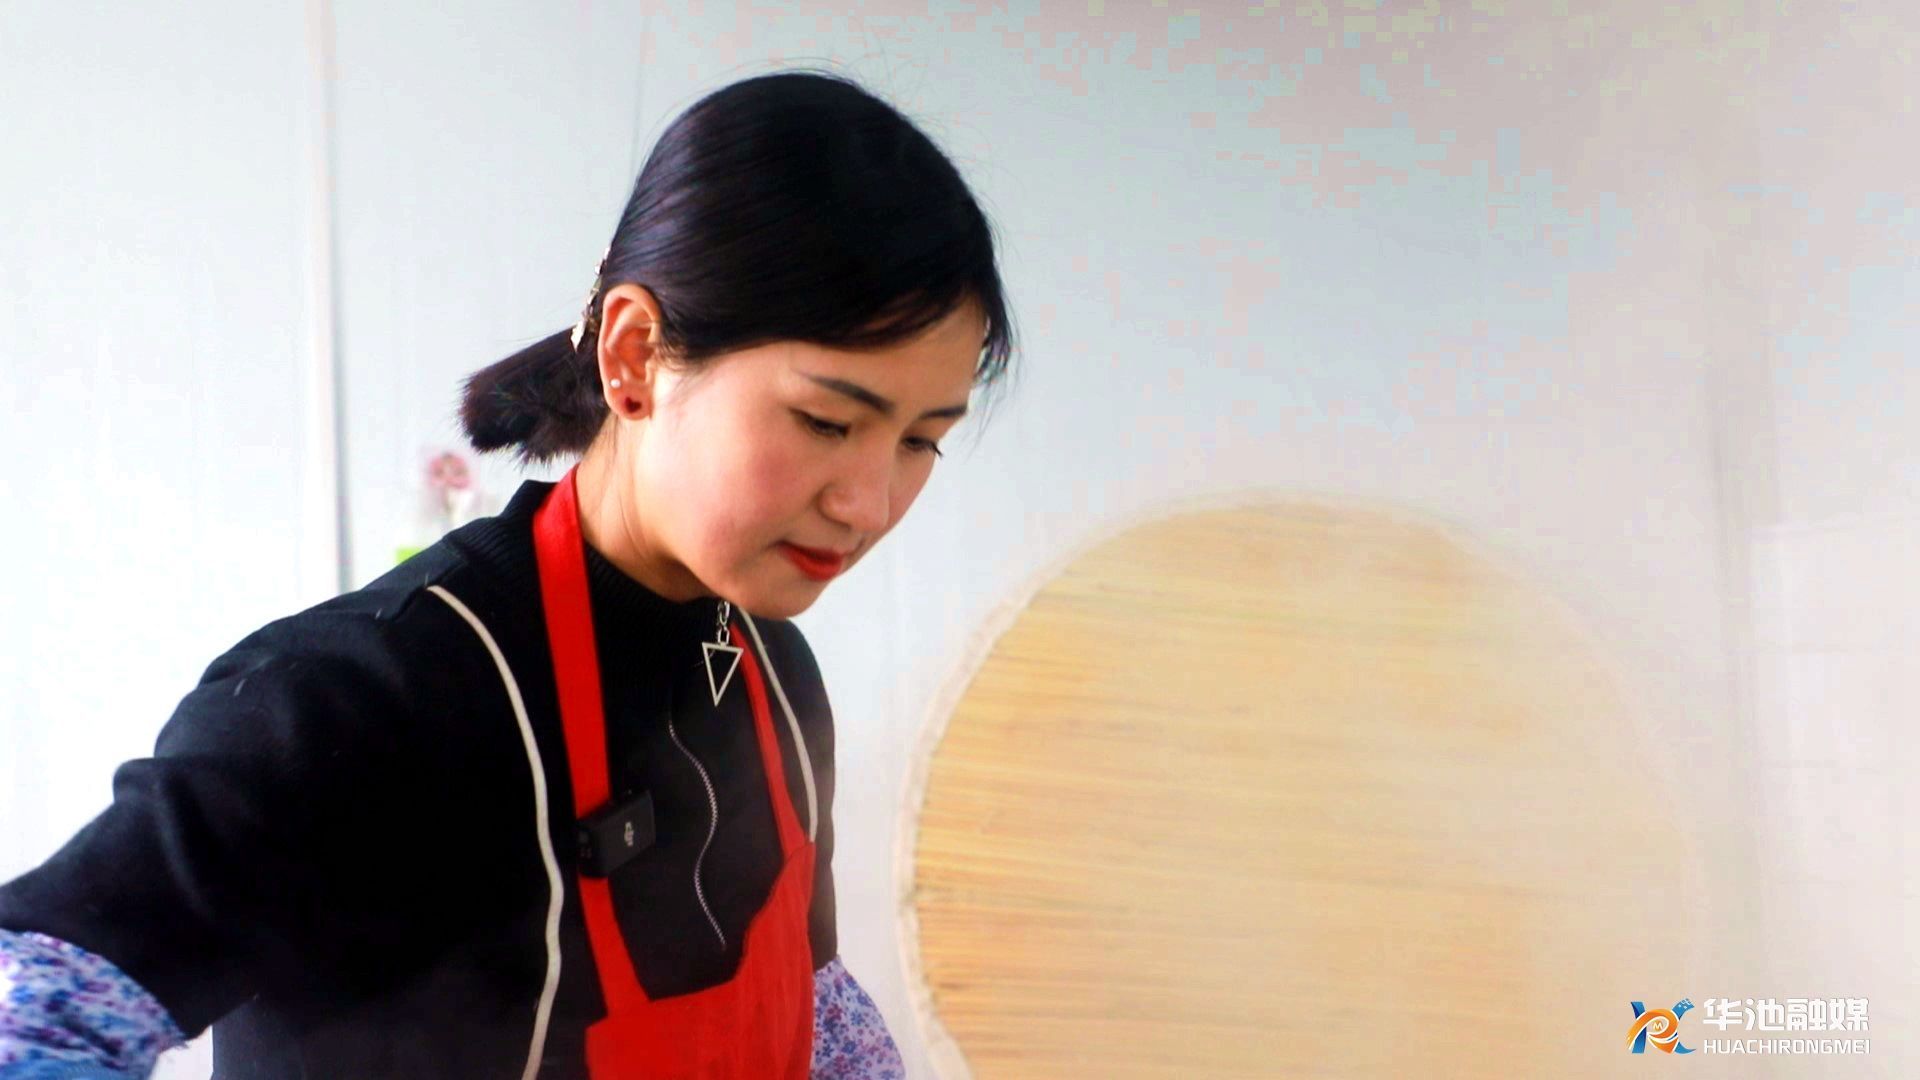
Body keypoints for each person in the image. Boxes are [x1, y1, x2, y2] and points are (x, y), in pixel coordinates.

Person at [0, 68, 1017, 1079]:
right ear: (634, 356)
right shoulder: (360, 703)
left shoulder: (771, 676)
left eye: (920, 440)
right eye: (827, 422)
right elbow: (29, 1011)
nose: (869, 504)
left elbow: (818, 1009)